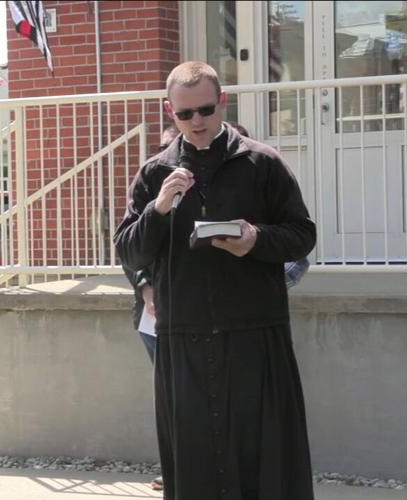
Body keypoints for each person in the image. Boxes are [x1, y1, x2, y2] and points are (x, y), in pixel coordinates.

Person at [114, 61, 316, 500]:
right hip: (184, 336)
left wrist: (255, 239)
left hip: (254, 332)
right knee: (194, 463)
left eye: (205, 110)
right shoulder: (155, 174)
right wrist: (159, 209)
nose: (197, 122)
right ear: (171, 112)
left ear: (222, 101)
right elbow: (128, 249)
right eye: (185, 114)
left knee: (263, 458)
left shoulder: (261, 162)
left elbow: (302, 234)